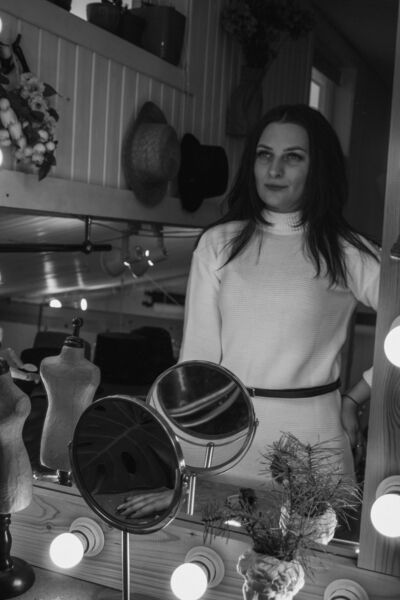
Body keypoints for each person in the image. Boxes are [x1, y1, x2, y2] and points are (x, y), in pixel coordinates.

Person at [178, 104, 380, 485]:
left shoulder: (345, 251)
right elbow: (195, 367)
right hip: (227, 443)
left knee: (314, 528)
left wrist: (358, 395)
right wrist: (184, 473)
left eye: (293, 157)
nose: (274, 170)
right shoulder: (218, 244)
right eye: (264, 155)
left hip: (315, 445)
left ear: (318, 167)